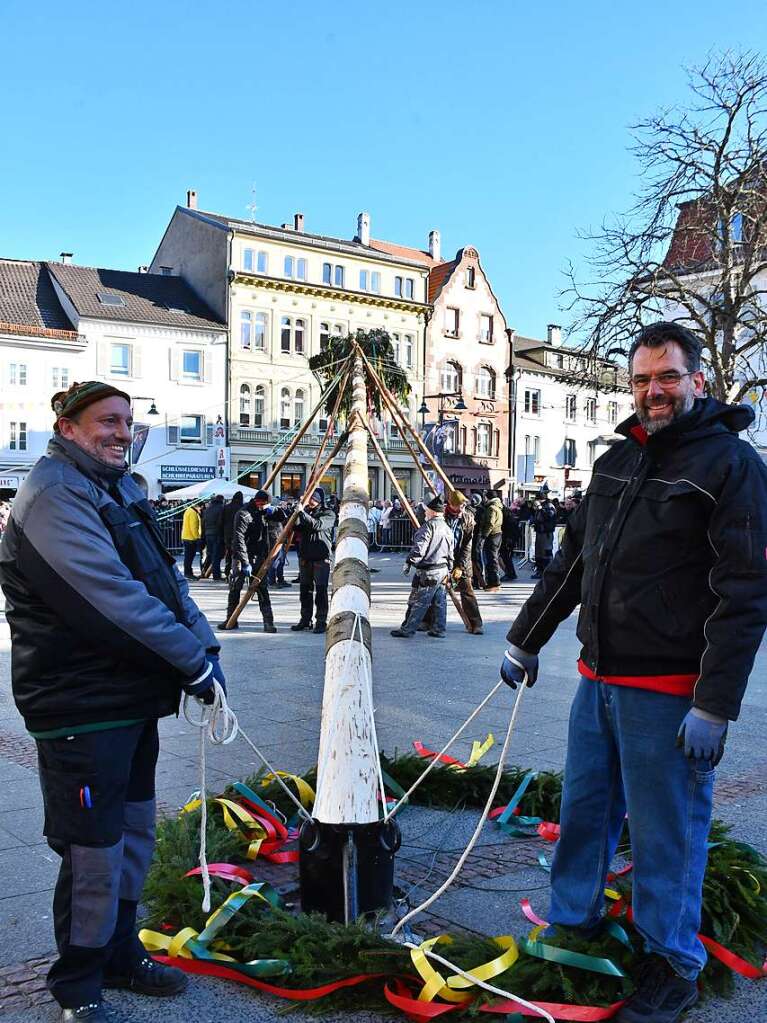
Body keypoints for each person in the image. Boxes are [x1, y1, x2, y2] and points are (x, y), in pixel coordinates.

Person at [499, 322, 767, 1023]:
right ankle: (572, 919)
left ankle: (672, 959)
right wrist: (526, 638)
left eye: (667, 376)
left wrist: (714, 705)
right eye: (642, 378)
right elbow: (573, 564)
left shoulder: (731, 466)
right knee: (584, 811)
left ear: (697, 380)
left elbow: (744, 591)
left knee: (664, 830)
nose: (653, 390)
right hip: (596, 680)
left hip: (670, 693)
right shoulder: (613, 461)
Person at [0, 381, 224, 1023]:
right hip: (81, 706)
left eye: (127, 421)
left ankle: (121, 951)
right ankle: (78, 983)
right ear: (67, 428)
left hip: (128, 698)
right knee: (92, 848)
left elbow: (165, 578)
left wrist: (204, 647)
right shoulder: (52, 494)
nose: (122, 432)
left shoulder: (118, 487)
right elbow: (113, 600)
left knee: (134, 831)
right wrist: (191, 663)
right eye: (106, 421)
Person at [220, 489, 284, 632]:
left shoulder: (265, 512)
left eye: (266, 504)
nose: (263, 506)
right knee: (235, 587)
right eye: (263, 504)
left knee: (262, 588)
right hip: (242, 554)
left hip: (259, 554)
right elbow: (239, 539)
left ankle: (268, 622)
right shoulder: (243, 514)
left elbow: (282, 518)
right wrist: (245, 562)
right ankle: (231, 618)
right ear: (257, 502)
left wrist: (275, 510)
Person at [391, 494, 454, 638]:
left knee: (420, 602)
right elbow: (451, 550)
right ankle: (439, 629)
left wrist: (409, 562)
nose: (425, 512)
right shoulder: (446, 528)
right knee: (440, 602)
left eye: (426, 510)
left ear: (432, 511)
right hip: (442, 569)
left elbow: (419, 549)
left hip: (429, 570)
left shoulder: (428, 527)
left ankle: (408, 629)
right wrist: (449, 568)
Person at [292, 487, 335, 634]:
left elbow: (317, 525)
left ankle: (321, 621)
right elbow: (295, 527)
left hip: (321, 558)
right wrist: (297, 513)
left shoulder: (328, 513)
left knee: (321, 591)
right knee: (305, 591)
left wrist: (302, 513)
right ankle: (305, 619)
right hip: (305, 557)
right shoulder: (306, 512)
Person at [445, 490, 483, 634]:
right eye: (459, 506)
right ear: (451, 505)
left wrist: (460, 566)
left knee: (467, 591)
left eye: (463, 505)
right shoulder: (443, 517)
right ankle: (427, 620)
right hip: (444, 557)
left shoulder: (468, 518)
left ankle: (476, 623)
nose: (461, 508)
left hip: (461, 559)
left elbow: (467, 544)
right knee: (435, 590)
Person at [480, 489, 504, 591]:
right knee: (493, 558)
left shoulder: (491, 508)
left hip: (492, 535)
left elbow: (490, 523)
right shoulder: (498, 507)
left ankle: (494, 582)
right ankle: (494, 581)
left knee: (491, 559)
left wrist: (484, 535)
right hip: (497, 534)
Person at [530, 492, 557, 578]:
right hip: (540, 532)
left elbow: (549, 516)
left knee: (546, 552)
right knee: (539, 553)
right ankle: (540, 571)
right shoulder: (543, 506)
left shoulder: (549, 506)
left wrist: (540, 508)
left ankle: (547, 572)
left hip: (546, 533)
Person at [201, 493, 225, 580]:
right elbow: (220, 522)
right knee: (216, 555)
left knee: (210, 554)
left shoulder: (208, 508)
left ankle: (204, 571)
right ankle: (216, 575)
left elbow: (203, 522)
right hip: (216, 534)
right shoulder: (221, 508)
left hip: (208, 534)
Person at [222, 490, 244, 579]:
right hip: (238, 533)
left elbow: (222, 520)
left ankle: (227, 571)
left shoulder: (226, 507)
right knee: (238, 554)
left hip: (227, 533)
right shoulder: (242, 508)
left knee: (229, 553)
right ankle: (237, 572)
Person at [181, 500, 202, 578]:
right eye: (200, 508)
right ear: (197, 506)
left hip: (186, 537)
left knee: (188, 557)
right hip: (191, 538)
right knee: (189, 557)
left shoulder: (188, 510)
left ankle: (188, 572)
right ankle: (188, 573)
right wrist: (197, 537)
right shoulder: (193, 513)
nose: (200, 510)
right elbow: (194, 527)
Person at [470, 493, 486, 589]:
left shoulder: (480, 511)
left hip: (477, 536)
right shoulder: (479, 510)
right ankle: (476, 579)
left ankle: (478, 579)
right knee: (475, 558)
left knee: (476, 558)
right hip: (475, 536)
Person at [500, 500, 519, 581]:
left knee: (506, 557)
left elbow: (510, 528)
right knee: (506, 557)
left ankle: (510, 574)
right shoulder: (507, 512)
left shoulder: (505, 513)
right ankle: (510, 573)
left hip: (508, 538)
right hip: (509, 537)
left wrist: (509, 539)